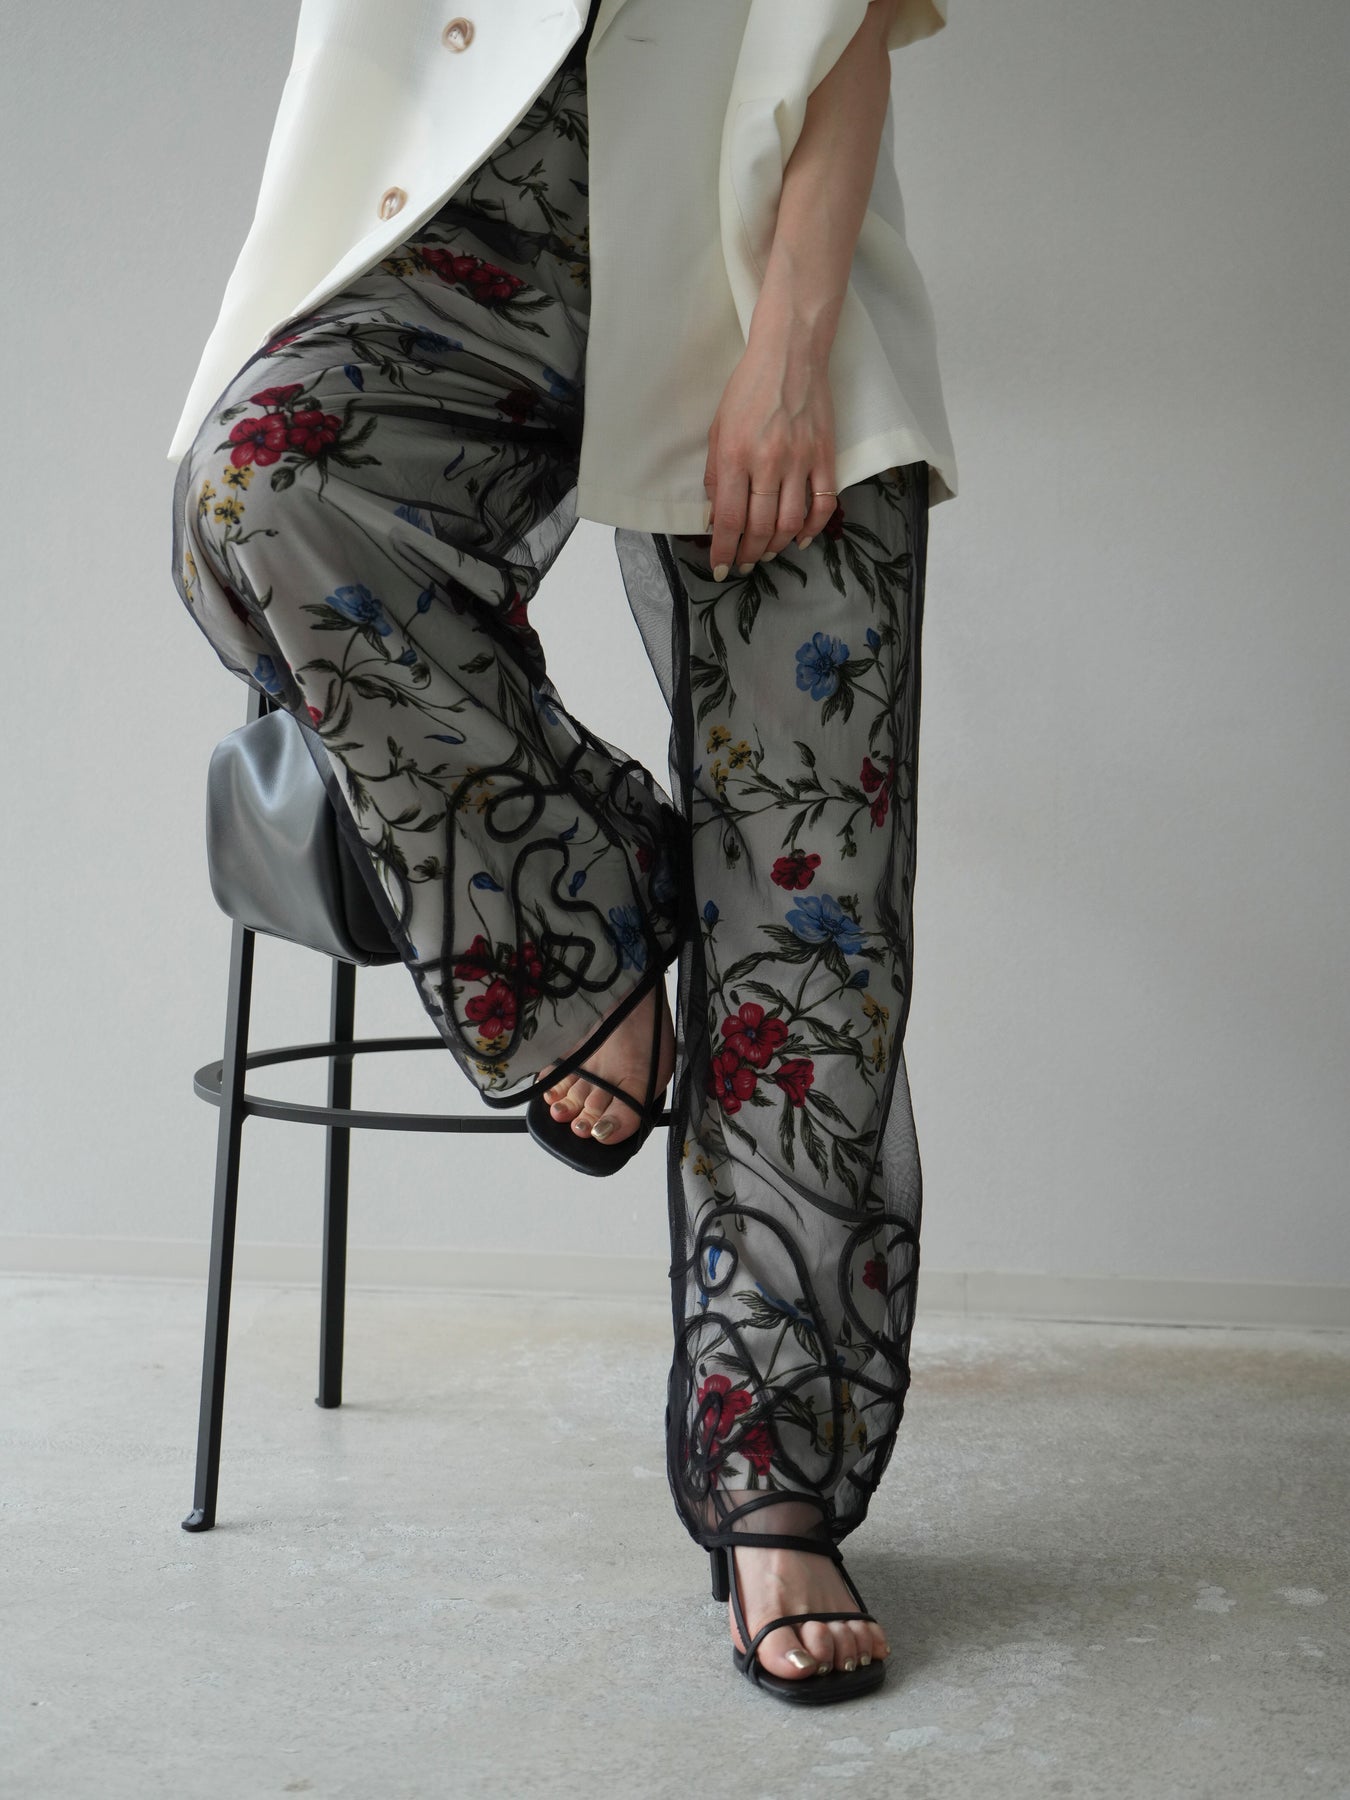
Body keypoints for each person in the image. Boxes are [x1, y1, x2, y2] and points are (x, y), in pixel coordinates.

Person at [169, 0, 957, 1705]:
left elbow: (847, 37)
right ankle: (586, 921)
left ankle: (773, 1491)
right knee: (260, 488)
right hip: (462, 244)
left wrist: (789, 351)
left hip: (759, 269)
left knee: (808, 893)